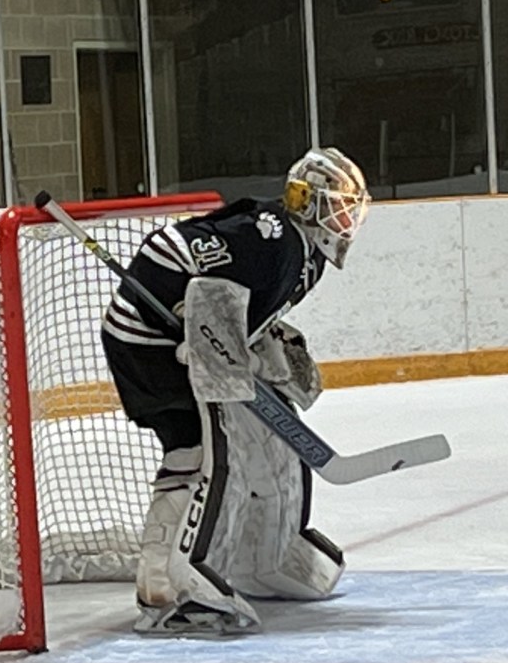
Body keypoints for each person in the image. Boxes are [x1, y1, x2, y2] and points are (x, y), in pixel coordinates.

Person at [100, 147, 371, 636]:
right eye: (337, 206)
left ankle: (268, 553)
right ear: (307, 202)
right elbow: (174, 250)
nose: (346, 219)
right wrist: (196, 320)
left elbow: (243, 300)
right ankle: (167, 585)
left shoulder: (303, 253)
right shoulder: (275, 238)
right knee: (198, 449)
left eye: (351, 209)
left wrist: (256, 345)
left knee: (261, 440)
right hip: (144, 340)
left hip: (180, 336)